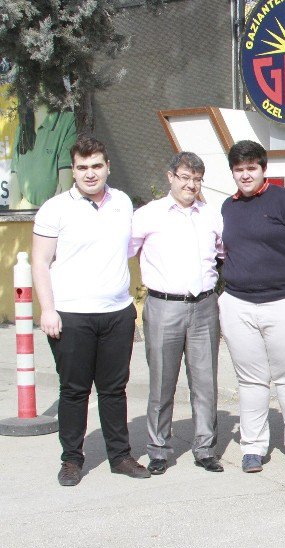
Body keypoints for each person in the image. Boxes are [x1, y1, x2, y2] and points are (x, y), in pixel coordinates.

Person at [32, 135, 149, 486]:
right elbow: (40, 262)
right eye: (82, 167)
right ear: (74, 170)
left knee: (114, 389)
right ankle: (71, 459)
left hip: (116, 313)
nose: (90, 173)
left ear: (107, 167)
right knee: (74, 390)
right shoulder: (55, 209)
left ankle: (120, 456)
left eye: (96, 165)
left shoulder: (123, 202)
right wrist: (48, 310)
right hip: (71, 315)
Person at [219, 140, 285, 473]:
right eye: (239, 169)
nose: (245, 174)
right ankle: (253, 447)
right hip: (239, 304)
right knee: (250, 381)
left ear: (263, 169)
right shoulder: (227, 207)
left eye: (251, 168)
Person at [129, 152, 225, 475]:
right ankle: (158, 449)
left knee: (205, 382)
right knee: (161, 382)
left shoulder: (211, 215)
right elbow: (126, 251)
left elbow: (221, 254)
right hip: (163, 305)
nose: (190, 184)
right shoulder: (147, 215)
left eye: (197, 179)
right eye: (185, 177)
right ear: (171, 177)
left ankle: (206, 448)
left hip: (204, 307)